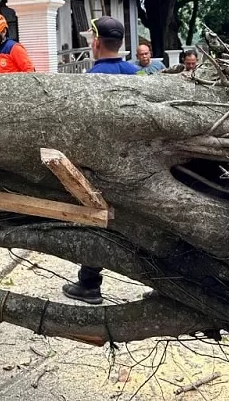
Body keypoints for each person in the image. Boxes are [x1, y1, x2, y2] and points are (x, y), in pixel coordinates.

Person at [61, 16, 135, 305]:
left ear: (95, 42)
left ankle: (90, 284)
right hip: (138, 165)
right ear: (121, 43)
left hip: (101, 167)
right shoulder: (139, 75)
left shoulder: (90, 80)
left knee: (94, 222)